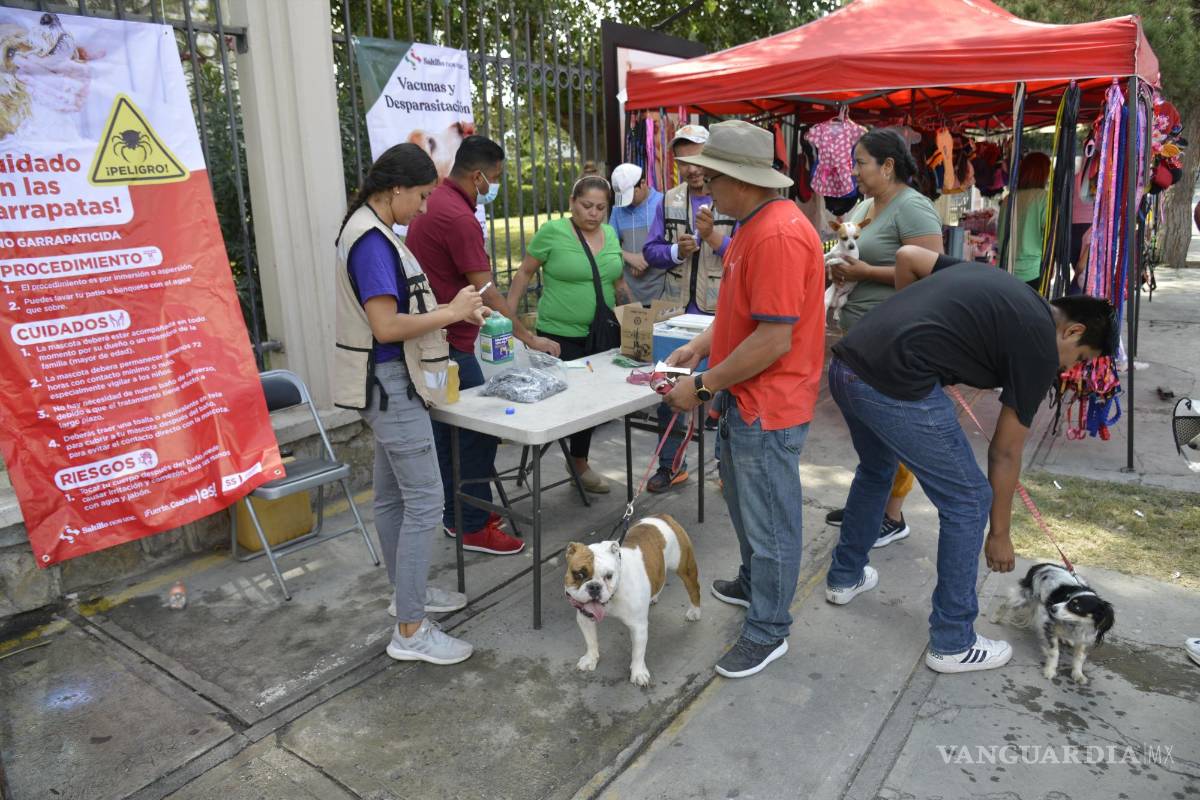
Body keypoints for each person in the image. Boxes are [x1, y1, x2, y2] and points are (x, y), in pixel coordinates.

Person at [824, 245, 1116, 674]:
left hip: (847, 365)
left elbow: (909, 257)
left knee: (878, 467)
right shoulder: (1039, 349)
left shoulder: (1008, 286)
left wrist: (911, 336)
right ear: (1072, 332)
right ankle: (953, 641)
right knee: (968, 500)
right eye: (1081, 358)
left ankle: (844, 577)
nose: (1071, 367)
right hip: (892, 383)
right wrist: (999, 532)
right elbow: (1005, 450)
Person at [663, 120, 825, 679]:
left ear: (744, 180)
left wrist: (704, 384)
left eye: (712, 177)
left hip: (767, 405)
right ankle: (757, 586)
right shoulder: (755, 225)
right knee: (746, 507)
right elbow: (743, 314)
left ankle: (768, 629)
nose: (704, 186)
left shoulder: (777, 234)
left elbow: (774, 337)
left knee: (771, 521)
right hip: (745, 399)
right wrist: (699, 344)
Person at [333, 143, 488, 665]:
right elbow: (386, 326)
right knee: (426, 501)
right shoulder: (371, 242)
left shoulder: (371, 231)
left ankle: (409, 595)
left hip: (386, 382)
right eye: (420, 196)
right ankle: (411, 629)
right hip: (390, 383)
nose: (424, 208)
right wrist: (451, 311)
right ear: (396, 189)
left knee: (395, 498)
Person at [407, 135, 551, 556]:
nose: (496, 185)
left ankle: (461, 514)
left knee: (453, 435)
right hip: (455, 342)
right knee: (477, 434)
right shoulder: (456, 216)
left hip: (441, 339)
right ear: (478, 176)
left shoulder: (437, 204)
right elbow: (485, 290)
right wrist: (525, 335)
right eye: (497, 178)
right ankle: (469, 523)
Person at [825, 127, 945, 546]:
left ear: (888, 165)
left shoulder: (914, 209)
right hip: (859, 340)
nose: (854, 170)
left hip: (893, 344)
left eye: (860, 162)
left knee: (893, 432)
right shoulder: (866, 205)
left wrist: (864, 273)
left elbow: (933, 275)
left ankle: (892, 515)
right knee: (870, 436)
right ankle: (869, 503)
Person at [505, 175, 632, 494]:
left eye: (601, 207)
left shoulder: (611, 234)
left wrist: (632, 315)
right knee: (568, 401)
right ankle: (554, 458)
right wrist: (509, 316)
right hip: (559, 336)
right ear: (573, 203)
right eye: (587, 205)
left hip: (602, 334)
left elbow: (617, 282)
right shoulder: (553, 232)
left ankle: (579, 460)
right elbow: (524, 272)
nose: (594, 213)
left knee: (593, 399)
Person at [643, 124, 737, 493]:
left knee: (725, 393)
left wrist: (714, 237)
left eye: (697, 157)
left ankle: (727, 470)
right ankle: (671, 465)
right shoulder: (668, 200)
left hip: (718, 312)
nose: (692, 167)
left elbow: (747, 258)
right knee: (672, 391)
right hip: (677, 313)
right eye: (683, 160)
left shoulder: (730, 197)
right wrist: (673, 252)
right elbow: (651, 253)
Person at [609, 163, 665, 304]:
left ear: (643, 183)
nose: (628, 202)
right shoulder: (618, 209)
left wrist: (648, 257)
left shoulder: (663, 202)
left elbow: (674, 243)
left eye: (631, 195)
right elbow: (608, 244)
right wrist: (630, 257)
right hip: (629, 290)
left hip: (661, 289)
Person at [998, 151, 1051, 291]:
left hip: (1004, 269)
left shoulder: (1008, 199)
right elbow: (1050, 236)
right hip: (1031, 271)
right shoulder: (1044, 199)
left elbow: (1000, 234)